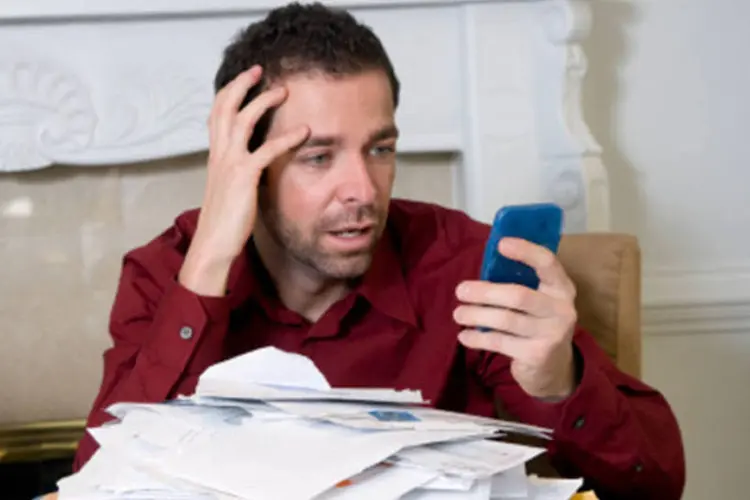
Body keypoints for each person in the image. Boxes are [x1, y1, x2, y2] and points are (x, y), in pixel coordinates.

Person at [65, 2, 684, 499]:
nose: (362, 190)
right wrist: (207, 265)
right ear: (246, 166)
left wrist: (556, 383)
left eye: (380, 149)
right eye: (318, 157)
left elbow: (655, 484)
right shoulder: (166, 272)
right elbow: (96, 480)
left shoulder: (462, 267)